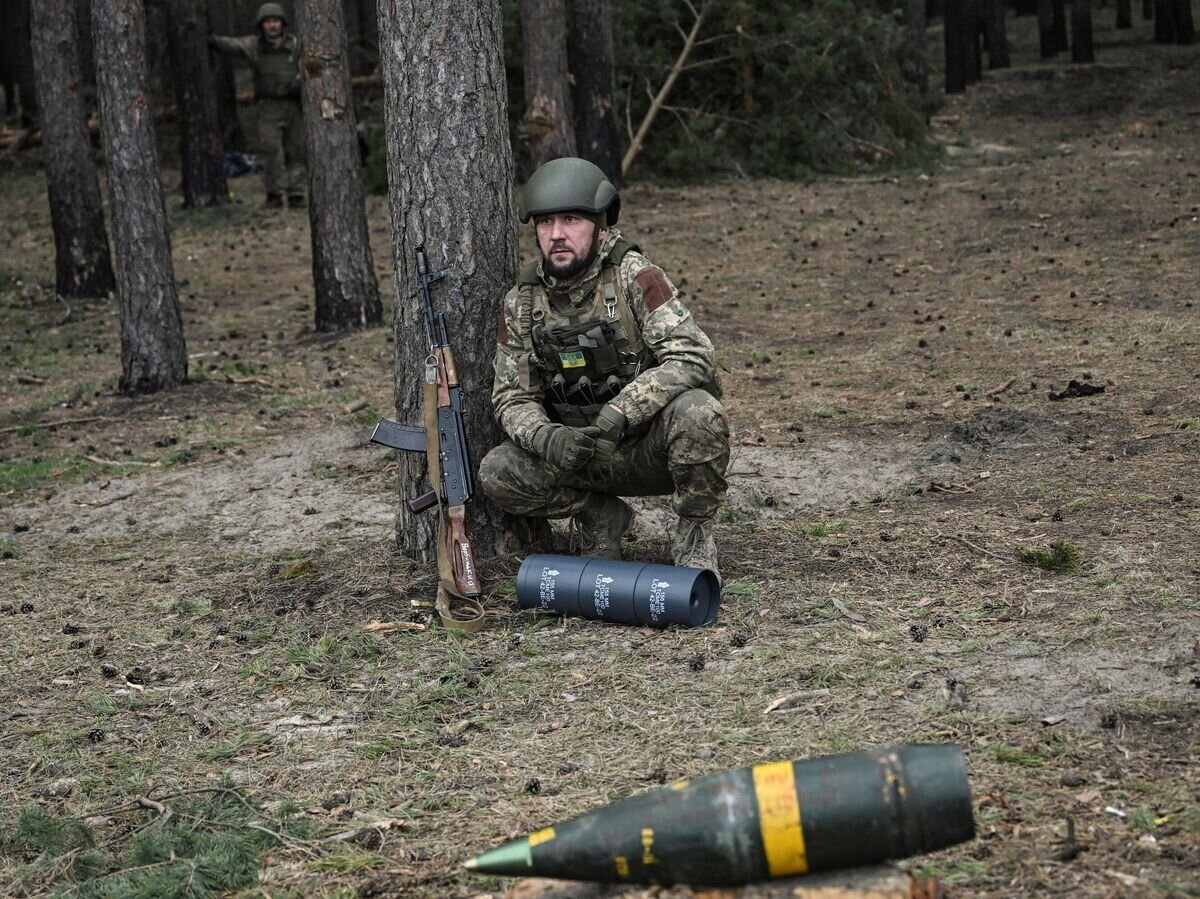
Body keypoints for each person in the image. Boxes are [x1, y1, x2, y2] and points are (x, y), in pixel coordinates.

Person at [479, 157, 730, 580]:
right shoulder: (521, 303)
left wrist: (625, 408)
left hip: (647, 449)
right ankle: (600, 518)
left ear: (599, 223)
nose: (556, 234)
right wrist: (544, 436)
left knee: (699, 413)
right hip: (581, 457)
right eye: (545, 223)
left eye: (571, 220)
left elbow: (692, 353)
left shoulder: (635, 275)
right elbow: (511, 395)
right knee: (498, 472)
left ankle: (694, 535)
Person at [210, 3, 305, 209]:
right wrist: (211, 39)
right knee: (271, 151)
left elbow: (311, 64)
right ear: (261, 25)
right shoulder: (255, 46)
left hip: (294, 106)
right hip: (268, 107)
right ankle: (274, 194)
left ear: (283, 23)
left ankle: (297, 193)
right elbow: (232, 45)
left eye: (276, 21)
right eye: (268, 22)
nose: (272, 26)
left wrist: (298, 83)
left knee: (297, 151)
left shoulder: (296, 44)